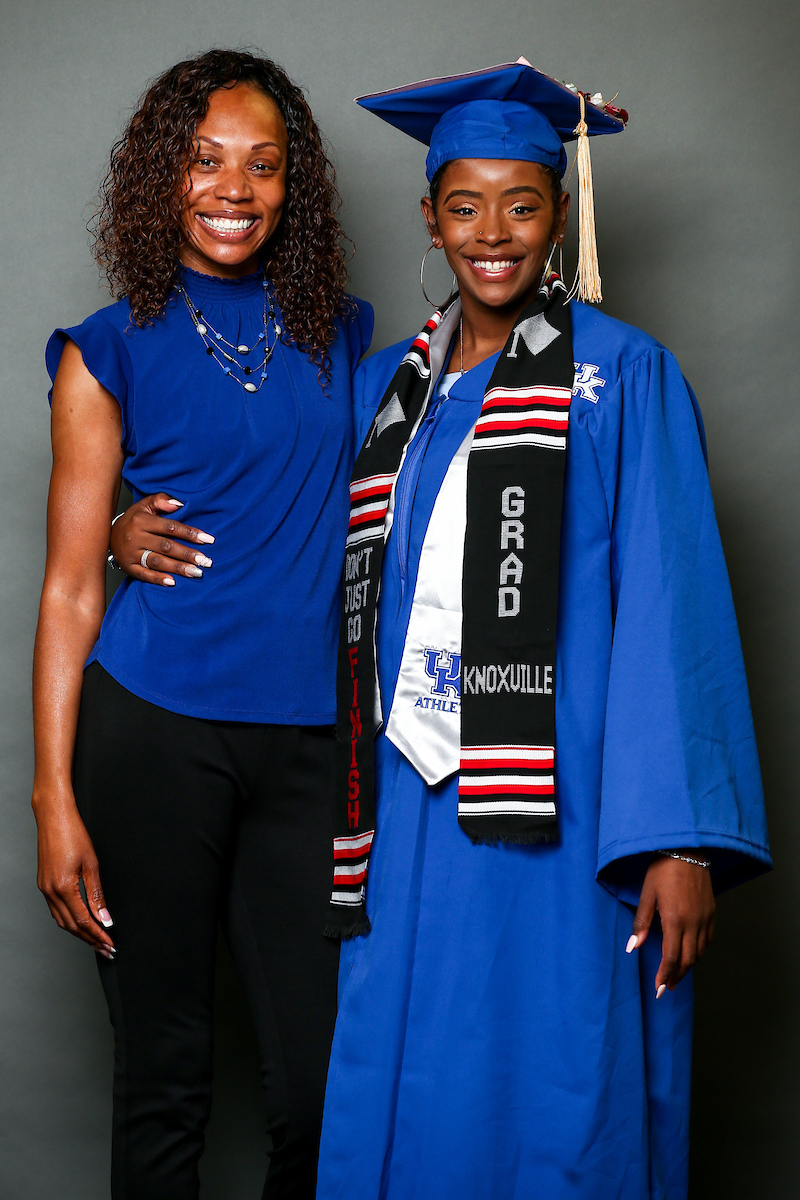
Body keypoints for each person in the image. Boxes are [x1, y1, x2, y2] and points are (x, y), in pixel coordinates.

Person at [310, 61, 771, 1199]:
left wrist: (675, 841)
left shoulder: (620, 375)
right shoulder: (388, 390)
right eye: (463, 206)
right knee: (407, 1057)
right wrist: (125, 528)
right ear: (428, 217)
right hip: (409, 805)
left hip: (559, 806)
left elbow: (673, 603)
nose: (492, 233)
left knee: (553, 1073)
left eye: (521, 202)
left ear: (558, 214)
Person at [32, 49, 372, 1200]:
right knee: (166, 1079)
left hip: (311, 743)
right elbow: (73, 587)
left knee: (324, 1090)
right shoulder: (107, 345)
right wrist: (51, 798)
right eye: (205, 160)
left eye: (262, 167)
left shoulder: (346, 332)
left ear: (296, 187)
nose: (234, 189)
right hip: (152, 733)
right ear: (160, 178)